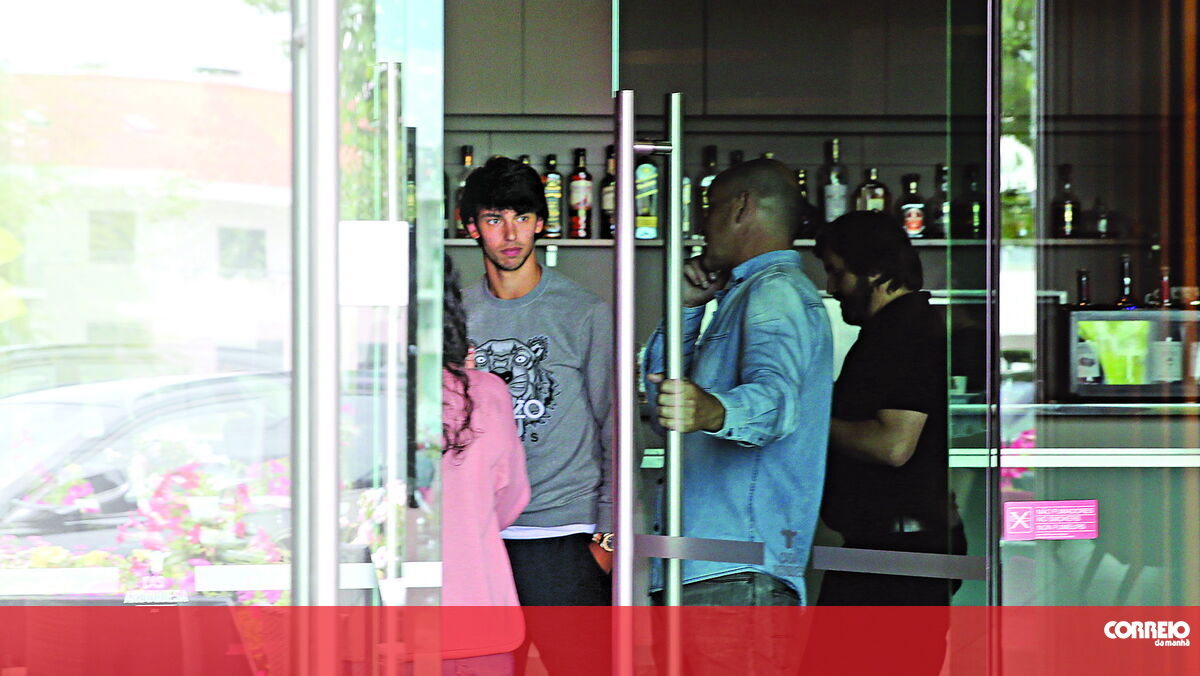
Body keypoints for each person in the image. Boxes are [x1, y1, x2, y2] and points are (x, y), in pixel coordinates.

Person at [642, 158, 833, 671]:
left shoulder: (775, 292)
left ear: (741, 207)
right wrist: (687, 309)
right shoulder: (743, 294)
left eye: (709, 208)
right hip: (714, 576)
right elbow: (663, 403)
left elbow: (776, 403)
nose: (701, 223)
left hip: (735, 581)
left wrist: (713, 409)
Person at [458, 156, 613, 674]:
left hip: (565, 534)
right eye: (494, 218)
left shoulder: (584, 312)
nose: (510, 234)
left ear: (541, 223)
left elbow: (615, 426)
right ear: (471, 226)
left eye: (522, 218)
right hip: (482, 540)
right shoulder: (456, 316)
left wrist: (607, 537)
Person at [811, 210, 967, 672]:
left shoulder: (904, 332)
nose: (832, 287)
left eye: (838, 272)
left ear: (875, 271)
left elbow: (893, 444)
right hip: (891, 551)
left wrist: (809, 420)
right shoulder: (895, 328)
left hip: (897, 558)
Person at [436, 253, 530, 674]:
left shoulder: (354, 396)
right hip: (479, 613)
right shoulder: (486, 392)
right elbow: (511, 499)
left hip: (383, 623)